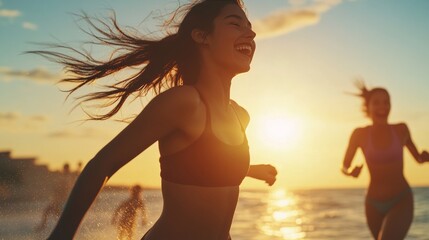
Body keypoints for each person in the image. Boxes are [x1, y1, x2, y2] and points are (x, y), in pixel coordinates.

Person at [31, 0, 278, 239]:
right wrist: (62, 234)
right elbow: (103, 164)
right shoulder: (184, 102)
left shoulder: (240, 115)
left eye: (249, 26)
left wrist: (250, 170)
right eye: (236, 24)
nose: (251, 33)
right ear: (202, 36)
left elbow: (208, 163)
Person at [341, 80, 429, 240]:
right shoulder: (359, 134)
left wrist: (425, 157)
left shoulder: (401, 129)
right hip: (372, 204)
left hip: (401, 199)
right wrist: (350, 172)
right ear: (368, 107)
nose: (383, 107)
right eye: (377, 103)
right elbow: (344, 166)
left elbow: (418, 159)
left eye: (386, 102)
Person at [34, 163, 75, 232]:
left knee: (53, 212)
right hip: (59, 200)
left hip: (62, 200)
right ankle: (44, 226)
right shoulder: (64, 176)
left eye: (65, 169)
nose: (64, 170)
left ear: (66, 169)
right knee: (50, 212)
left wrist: (58, 192)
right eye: (64, 168)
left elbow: (65, 189)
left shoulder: (67, 177)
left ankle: (63, 227)